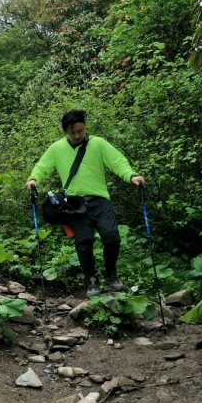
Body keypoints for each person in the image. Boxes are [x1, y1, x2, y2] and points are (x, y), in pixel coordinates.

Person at [25, 109, 145, 297]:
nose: (77, 135)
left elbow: (118, 162)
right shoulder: (57, 148)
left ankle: (112, 275)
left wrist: (131, 176)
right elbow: (43, 166)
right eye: (72, 132)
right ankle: (91, 280)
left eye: (80, 131)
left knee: (112, 237)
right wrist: (34, 179)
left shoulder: (98, 144)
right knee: (83, 243)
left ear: (85, 126)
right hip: (75, 204)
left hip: (100, 200)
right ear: (65, 131)